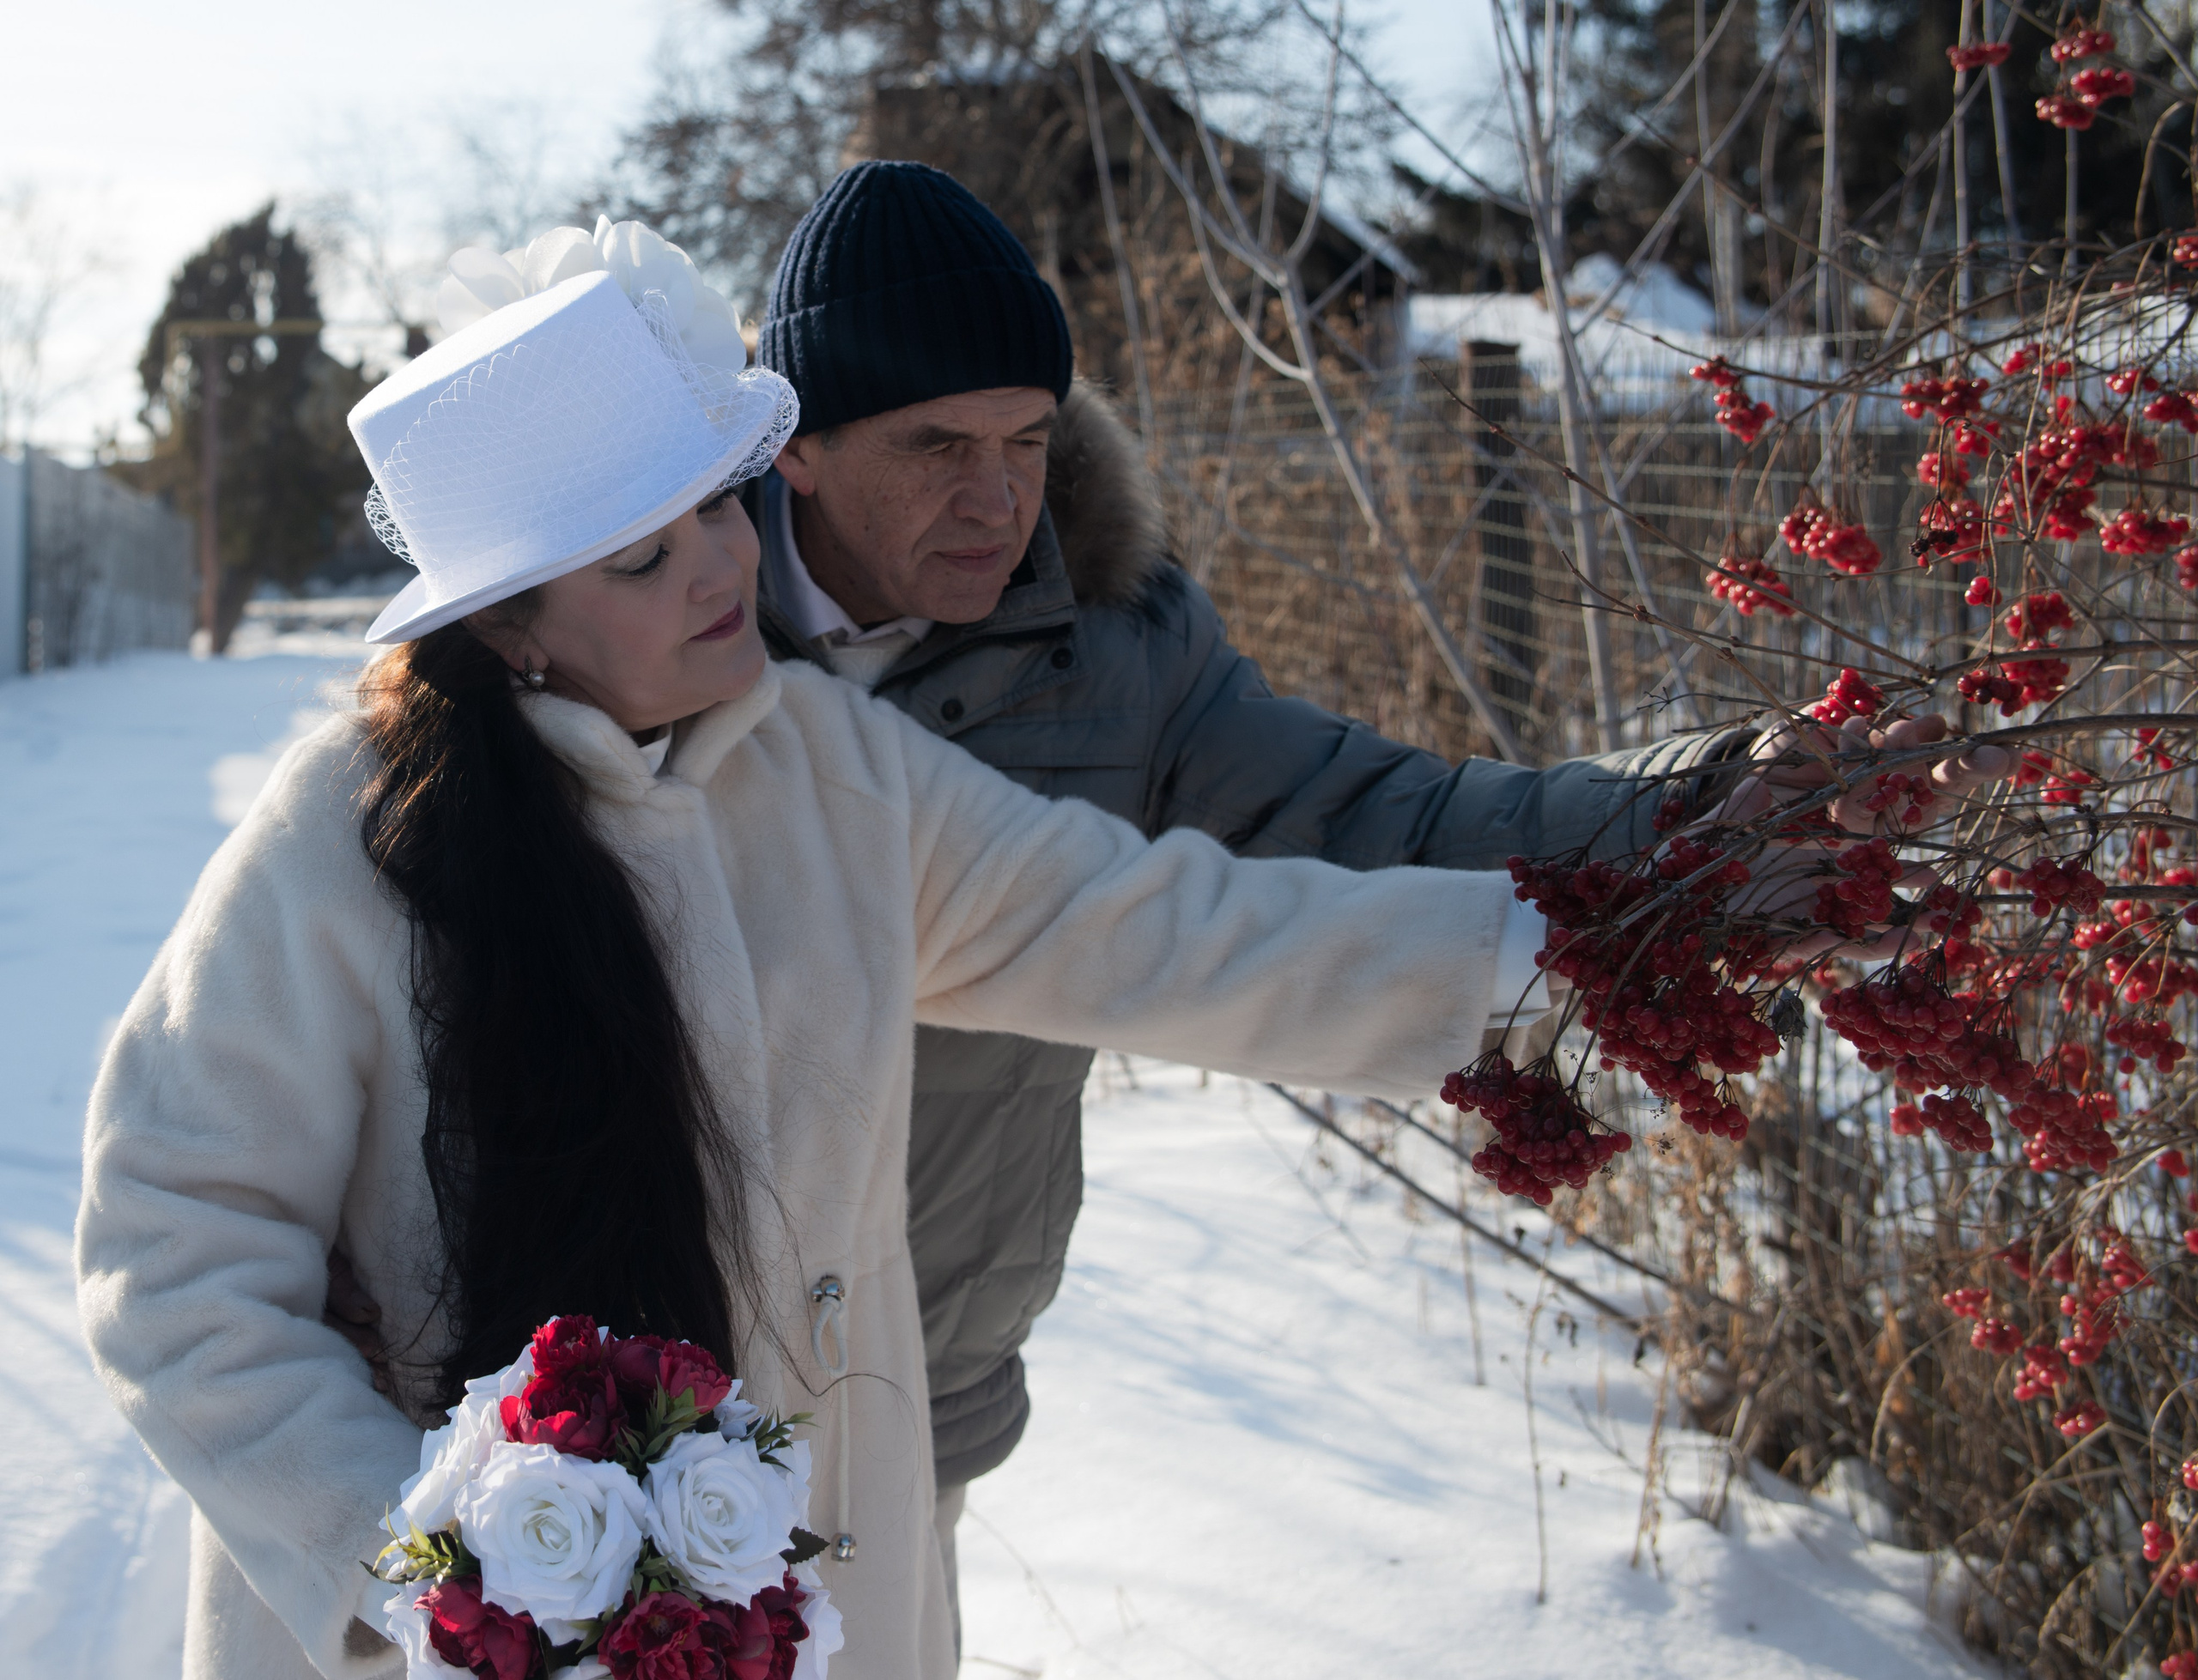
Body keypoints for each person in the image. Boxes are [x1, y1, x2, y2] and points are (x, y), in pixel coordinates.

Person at [76, 222, 1574, 1680]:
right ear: (513, 624)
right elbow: (174, 1246)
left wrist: (1545, 959)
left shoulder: (839, 778)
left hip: (806, 1606)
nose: (722, 566)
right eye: (645, 556)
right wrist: (433, 1561)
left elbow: (1168, 933)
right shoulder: (348, 843)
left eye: (719, 507)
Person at [732, 157, 2015, 1630]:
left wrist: (1710, 809)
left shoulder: (1113, 639)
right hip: (657, 1374)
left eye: (1026, 439)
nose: (998, 497)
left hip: (923, 1371)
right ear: (798, 449)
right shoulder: (660, 634)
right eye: (936, 443)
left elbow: (1368, 815)